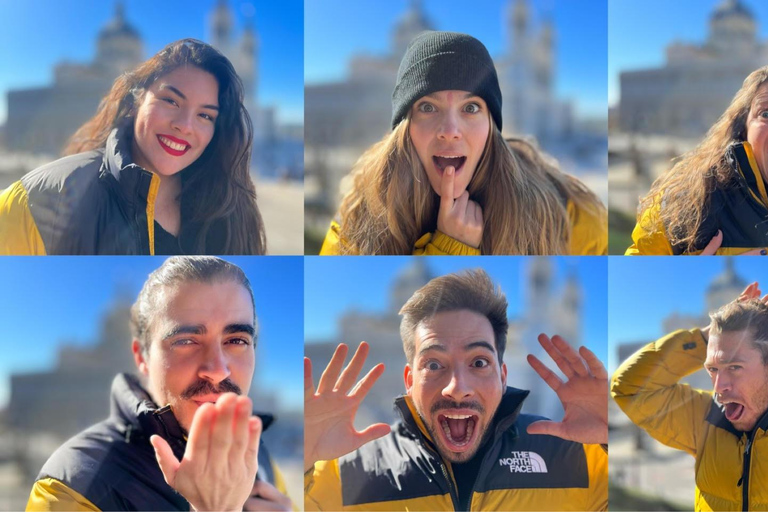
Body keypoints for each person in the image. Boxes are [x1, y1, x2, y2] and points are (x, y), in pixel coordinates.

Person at [304, 269, 608, 511]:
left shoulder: (577, 456)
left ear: (504, 377)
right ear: (409, 380)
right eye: (434, 365)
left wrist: (610, 440)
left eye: (478, 362)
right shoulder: (351, 470)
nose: (457, 388)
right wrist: (305, 463)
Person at [26, 257, 292, 511]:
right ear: (142, 356)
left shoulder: (259, 457)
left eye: (236, 341)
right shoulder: (73, 484)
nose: (218, 371)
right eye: (186, 341)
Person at [319, 31, 606, 256]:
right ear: (404, 127)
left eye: (470, 108)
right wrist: (450, 246)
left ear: (491, 124)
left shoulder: (568, 213)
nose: (450, 131)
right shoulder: (358, 219)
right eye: (428, 108)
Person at [0, 39, 265, 255]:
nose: (185, 126)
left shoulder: (233, 206)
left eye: (205, 115)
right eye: (171, 101)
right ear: (135, 101)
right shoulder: (36, 199)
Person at [612, 282, 768, 510]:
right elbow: (629, 389)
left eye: (734, 367)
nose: (718, 386)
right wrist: (706, 338)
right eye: (713, 369)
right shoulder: (707, 416)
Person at [627, 66, 768, 255]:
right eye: (766, 114)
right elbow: (637, 275)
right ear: (743, 127)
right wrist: (687, 275)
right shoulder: (683, 204)